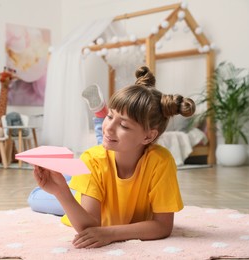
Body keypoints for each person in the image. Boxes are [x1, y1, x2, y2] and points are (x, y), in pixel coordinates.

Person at [30, 66, 196, 249]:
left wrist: (111, 233)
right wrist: (61, 192)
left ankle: (73, 178)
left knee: (86, 170)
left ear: (148, 136)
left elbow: (163, 226)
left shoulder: (161, 162)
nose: (108, 127)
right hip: (90, 183)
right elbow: (89, 229)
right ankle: (70, 180)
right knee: (35, 199)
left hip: (99, 175)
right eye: (109, 116)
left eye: (123, 125)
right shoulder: (92, 159)